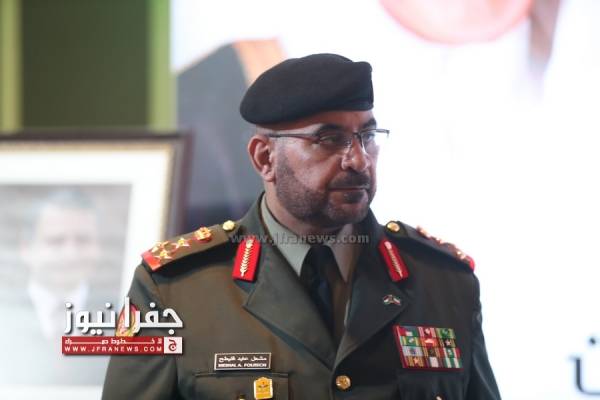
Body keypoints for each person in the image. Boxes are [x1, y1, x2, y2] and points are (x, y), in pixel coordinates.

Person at [102, 53, 501, 399]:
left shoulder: (443, 282)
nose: (359, 160)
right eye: (329, 139)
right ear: (265, 158)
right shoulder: (176, 289)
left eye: (367, 135)